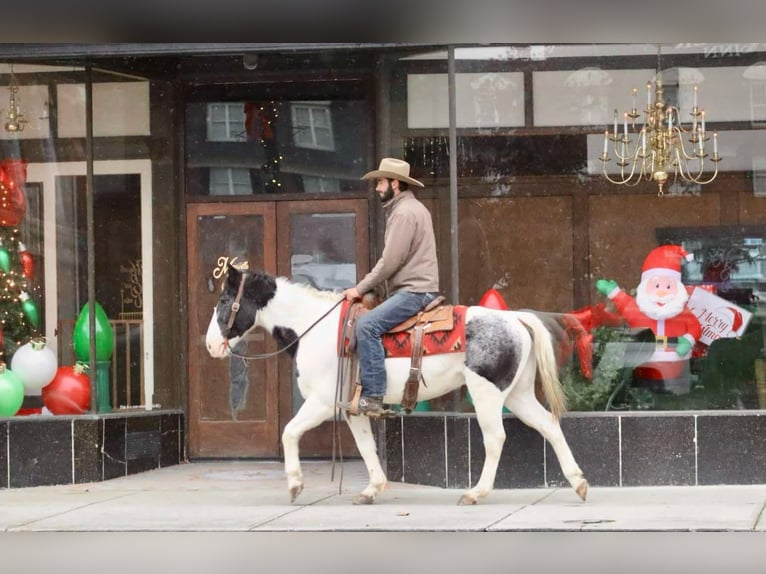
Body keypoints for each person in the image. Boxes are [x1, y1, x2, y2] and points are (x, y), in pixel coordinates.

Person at [341, 158, 440, 416]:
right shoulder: (408, 209)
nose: (376, 188)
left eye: (380, 182)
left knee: (366, 325)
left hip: (415, 291)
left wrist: (359, 289)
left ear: (395, 184)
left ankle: (373, 396)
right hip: (416, 288)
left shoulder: (404, 213)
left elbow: (390, 262)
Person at [595, 244, 702, 395]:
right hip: (643, 371)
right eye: (657, 286)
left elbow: (695, 327)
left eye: (668, 287)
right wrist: (613, 292)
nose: (662, 292)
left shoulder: (682, 313)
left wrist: (688, 340)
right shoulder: (639, 310)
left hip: (676, 377)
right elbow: (625, 303)